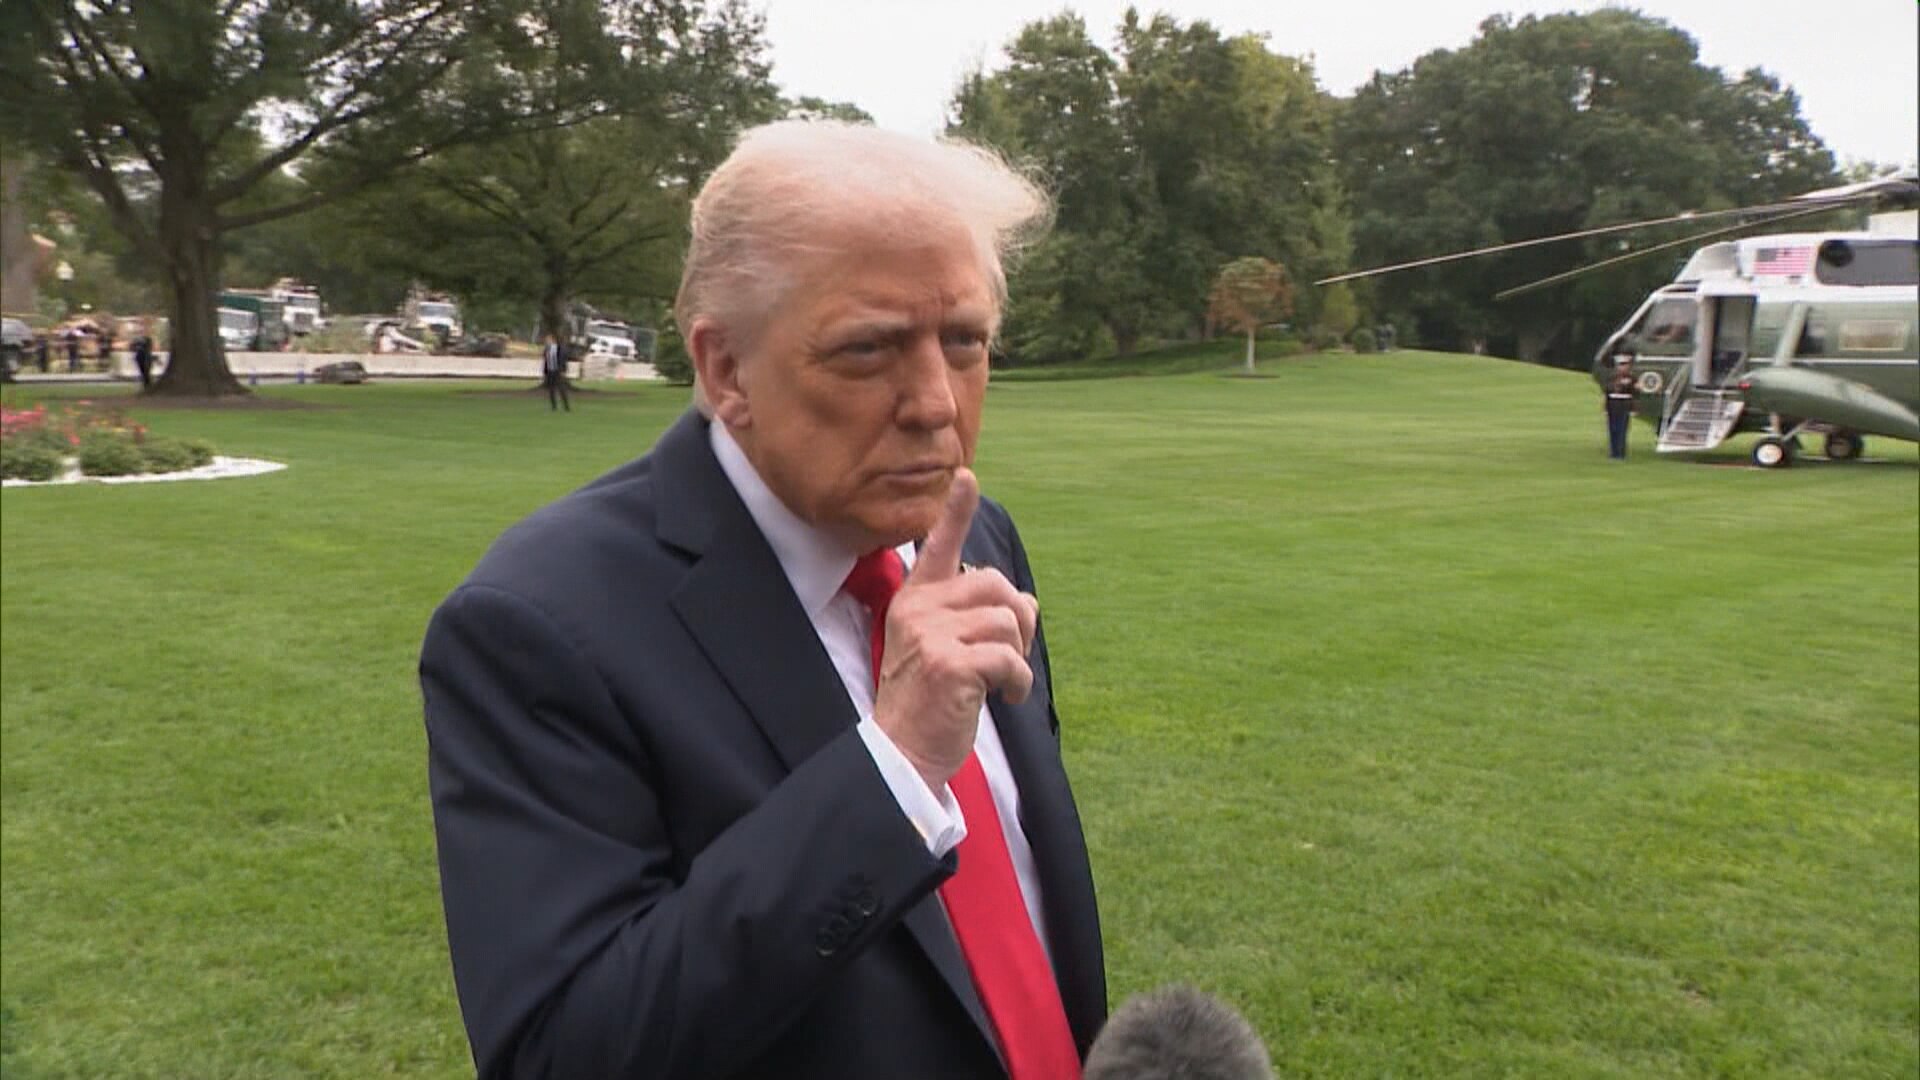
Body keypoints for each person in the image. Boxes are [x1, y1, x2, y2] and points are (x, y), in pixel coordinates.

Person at [421, 121, 1105, 1079]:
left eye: (965, 341)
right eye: (869, 350)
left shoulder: (977, 539)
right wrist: (894, 767)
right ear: (725, 370)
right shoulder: (537, 626)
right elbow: (562, 1052)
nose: (936, 402)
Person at [1605, 358, 1636, 459]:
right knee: (1613, 429)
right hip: (1613, 404)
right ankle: (1613, 452)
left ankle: (1620, 453)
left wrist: (1633, 408)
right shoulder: (1611, 377)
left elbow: (1634, 394)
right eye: (1620, 365)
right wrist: (1606, 407)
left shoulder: (1632, 378)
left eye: (1625, 365)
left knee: (1622, 429)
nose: (1622, 367)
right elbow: (1607, 392)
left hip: (1624, 404)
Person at [539, 333, 570, 412]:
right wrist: (545, 372)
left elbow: (563, 360)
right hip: (550, 371)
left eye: (548, 340)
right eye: (546, 340)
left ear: (553, 340)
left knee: (561, 389)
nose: (546, 342)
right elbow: (546, 361)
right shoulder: (546, 350)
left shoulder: (560, 349)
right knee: (551, 389)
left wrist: (563, 370)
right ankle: (554, 406)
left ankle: (566, 406)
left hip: (558, 371)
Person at [132, 319, 155, 389]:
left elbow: (149, 348)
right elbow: (133, 347)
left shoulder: (148, 339)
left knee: (146, 372)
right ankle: (146, 385)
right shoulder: (137, 339)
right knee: (143, 372)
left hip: (146, 357)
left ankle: (148, 385)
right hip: (139, 357)